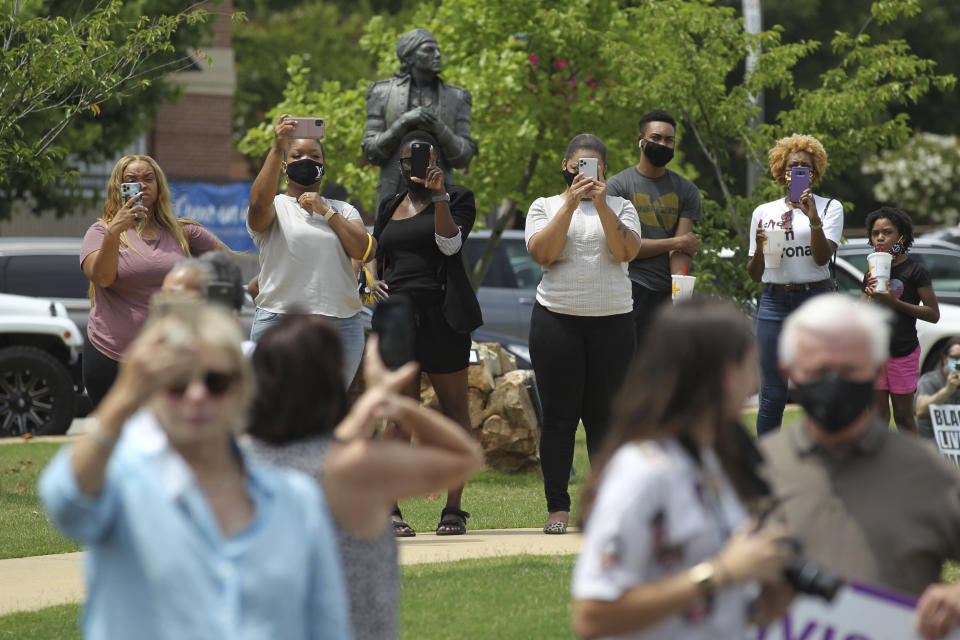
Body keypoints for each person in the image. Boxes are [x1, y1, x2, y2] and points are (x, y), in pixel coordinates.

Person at [38, 302, 350, 640]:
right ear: (150, 390)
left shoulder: (297, 502)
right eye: (177, 383)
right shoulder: (123, 487)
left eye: (215, 382)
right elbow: (64, 501)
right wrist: (122, 401)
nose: (197, 395)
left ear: (242, 389)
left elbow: (328, 626)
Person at [245, 315, 482, 639]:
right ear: (333, 382)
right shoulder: (354, 467)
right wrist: (396, 403)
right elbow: (464, 457)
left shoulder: (238, 463)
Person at [571, 299, 792, 639]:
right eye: (751, 364)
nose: (755, 382)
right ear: (724, 374)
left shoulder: (710, 461)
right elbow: (592, 616)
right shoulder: (644, 471)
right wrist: (721, 573)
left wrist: (762, 603)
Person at [761, 294, 960, 640]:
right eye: (819, 371)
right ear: (789, 372)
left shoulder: (926, 472)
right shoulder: (756, 470)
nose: (834, 382)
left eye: (848, 370)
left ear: (875, 368)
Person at [526, 133, 642, 535]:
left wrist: (604, 205)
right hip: (557, 321)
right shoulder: (544, 207)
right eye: (578, 166)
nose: (584, 173)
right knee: (559, 419)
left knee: (605, 420)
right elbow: (544, 253)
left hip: (613, 322)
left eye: (593, 167)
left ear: (605, 171)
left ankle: (607, 508)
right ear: (566, 166)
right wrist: (572, 206)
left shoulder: (623, 206)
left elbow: (626, 252)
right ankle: (558, 507)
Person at [372, 129, 482, 536]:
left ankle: (453, 510)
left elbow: (450, 247)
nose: (413, 167)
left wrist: (439, 198)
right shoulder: (389, 203)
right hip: (398, 318)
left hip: (443, 315)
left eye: (422, 159)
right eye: (406, 161)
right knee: (398, 414)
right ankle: (391, 509)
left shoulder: (458, 198)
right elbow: (376, 251)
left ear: (437, 161)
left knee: (454, 413)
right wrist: (372, 280)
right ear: (399, 165)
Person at [80, 155, 222, 408]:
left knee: (168, 434)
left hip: (169, 354)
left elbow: (227, 268)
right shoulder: (101, 231)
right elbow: (102, 277)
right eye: (131, 180)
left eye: (148, 179)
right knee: (117, 438)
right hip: (110, 355)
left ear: (159, 186)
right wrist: (115, 231)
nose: (142, 185)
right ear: (118, 187)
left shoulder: (183, 233)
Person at [247, 113, 372, 385]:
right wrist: (278, 144)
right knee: (278, 409)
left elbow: (363, 251)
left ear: (324, 167)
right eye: (297, 156)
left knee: (329, 411)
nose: (306, 161)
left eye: (315, 157)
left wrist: (325, 211)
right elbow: (257, 207)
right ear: (283, 166)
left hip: (341, 324)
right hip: (280, 321)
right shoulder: (275, 206)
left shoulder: (343, 209)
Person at [746, 134, 844, 435]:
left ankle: (824, 458)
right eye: (792, 166)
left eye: (806, 167)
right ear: (781, 171)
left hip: (813, 299)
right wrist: (761, 247)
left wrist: (812, 218)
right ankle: (768, 466)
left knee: (818, 388)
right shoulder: (764, 212)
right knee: (773, 394)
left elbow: (820, 258)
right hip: (774, 301)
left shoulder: (830, 208)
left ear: (815, 173)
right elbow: (753, 273)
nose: (798, 171)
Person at [606, 109, 701, 349]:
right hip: (627, 290)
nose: (663, 144)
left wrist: (680, 301)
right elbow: (624, 249)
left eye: (669, 140)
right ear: (641, 140)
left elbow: (683, 249)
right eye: (656, 138)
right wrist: (675, 242)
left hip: (666, 293)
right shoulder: (618, 186)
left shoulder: (686, 190)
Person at [362, 28, 477, 206]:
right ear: (409, 57)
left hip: (440, 196)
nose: (438, 54)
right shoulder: (382, 93)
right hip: (394, 196)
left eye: (438, 49)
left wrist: (438, 127)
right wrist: (403, 122)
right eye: (429, 50)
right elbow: (371, 152)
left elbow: (464, 157)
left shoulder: (457, 97)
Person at [861, 207, 940, 434]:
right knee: (877, 417)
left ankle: (911, 466)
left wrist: (895, 304)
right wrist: (869, 292)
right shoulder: (870, 273)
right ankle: (878, 466)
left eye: (887, 232)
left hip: (903, 352)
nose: (880, 238)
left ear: (902, 237)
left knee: (904, 417)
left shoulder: (915, 271)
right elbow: (861, 314)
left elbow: (933, 314)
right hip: (875, 353)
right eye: (875, 233)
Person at [161, 252, 255, 356]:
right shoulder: (160, 354)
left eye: (176, 296)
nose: (164, 304)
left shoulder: (251, 356)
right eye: (163, 296)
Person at [916, 337, 960, 439]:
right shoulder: (930, 381)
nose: (958, 363)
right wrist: (947, 391)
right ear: (945, 359)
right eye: (955, 358)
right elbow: (920, 410)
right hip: (932, 446)